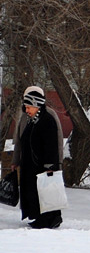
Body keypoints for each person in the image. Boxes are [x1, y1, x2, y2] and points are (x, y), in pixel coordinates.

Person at [12, 86, 64, 229]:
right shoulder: (29, 119)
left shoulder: (48, 118)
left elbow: (54, 143)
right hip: (31, 164)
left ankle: (49, 219)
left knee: (46, 191)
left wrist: (53, 165)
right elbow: (20, 140)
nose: (26, 109)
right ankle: (37, 216)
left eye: (29, 106)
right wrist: (16, 160)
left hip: (43, 164)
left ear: (36, 104)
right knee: (34, 191)